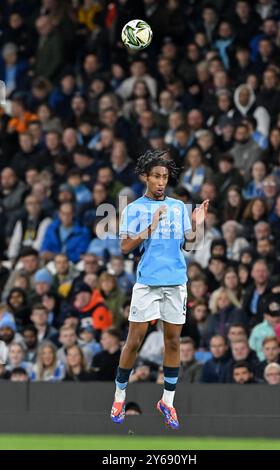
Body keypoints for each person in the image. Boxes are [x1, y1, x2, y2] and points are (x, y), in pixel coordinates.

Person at [111, 149, 209, 430]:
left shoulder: (178, 207)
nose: (161, 182)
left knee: (174, 341)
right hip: (147, 282)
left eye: (165, 177)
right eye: (156, 176)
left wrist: (197, 226)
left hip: (176, 282)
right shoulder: (134, 209)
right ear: (145, 177)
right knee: (135, 340)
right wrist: (151, 227)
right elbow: (125, 246)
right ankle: (119, 396)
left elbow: (188, 245)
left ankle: (168, 401)